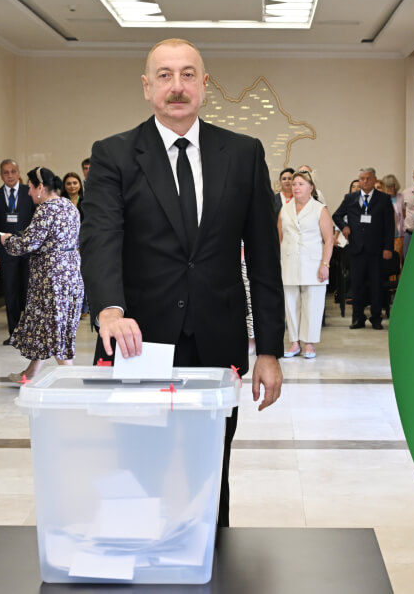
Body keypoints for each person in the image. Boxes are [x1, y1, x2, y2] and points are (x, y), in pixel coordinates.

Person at [79, 37, 284, 528]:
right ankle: (141, 556)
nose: (177, 86)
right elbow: (101, 237)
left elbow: (263, 256)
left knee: (208, 475)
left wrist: (269, 350)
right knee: (138, 472)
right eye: (165, 75)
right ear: (146, 86)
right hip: (138, 344)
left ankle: (211, 558)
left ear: (204, 84)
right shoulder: (113, 154)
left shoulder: (243, 153)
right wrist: (109, 309)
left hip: (217, 344)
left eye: (188, 74)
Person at [0, 167, 83, 380]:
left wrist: (7, 240)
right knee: (48, 326)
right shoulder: (68, 205)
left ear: (40, 187)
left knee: (53, 328)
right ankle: (29, 374)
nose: (28, 192)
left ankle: (71, 379)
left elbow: (28, 244)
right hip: (70, 273)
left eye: (29, 187)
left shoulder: (46, 209)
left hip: (51, 278)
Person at [279, 171, 333, 359]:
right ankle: (294, 342)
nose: (296, 187)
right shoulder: (285, 209)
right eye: (294, 184)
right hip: (289, 262)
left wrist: (325, 264)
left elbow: (329, 240)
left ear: (311, 188)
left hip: (313, 263)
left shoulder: (320, 209)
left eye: (301, 184)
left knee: (312, 304)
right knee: (291, 303)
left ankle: (309, 343)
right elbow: (279, 237)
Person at [332, 167, 394, 330]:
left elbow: (389, 226)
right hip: (356, 249)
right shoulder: (350, 198)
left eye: (368, 178)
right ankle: (357, 318)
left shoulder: (383, 199)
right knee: (357, 285)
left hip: (376, 250)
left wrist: (388, 247)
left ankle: (376, 318)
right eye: (362, 179)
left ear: (374, 180)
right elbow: (336, 215)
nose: (365, 181)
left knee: (376, 285)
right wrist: (344, 227)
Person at [0, 158, 35, 345]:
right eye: (5, 172)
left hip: (28, 250)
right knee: (10, 292)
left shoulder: (28, 192)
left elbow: (36, 221)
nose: (9, 175)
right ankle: (14, 333)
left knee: (29, 292)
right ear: (1, 175)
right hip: (6, 252)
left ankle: (30, 333)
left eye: (13, 171)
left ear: (19, 173)